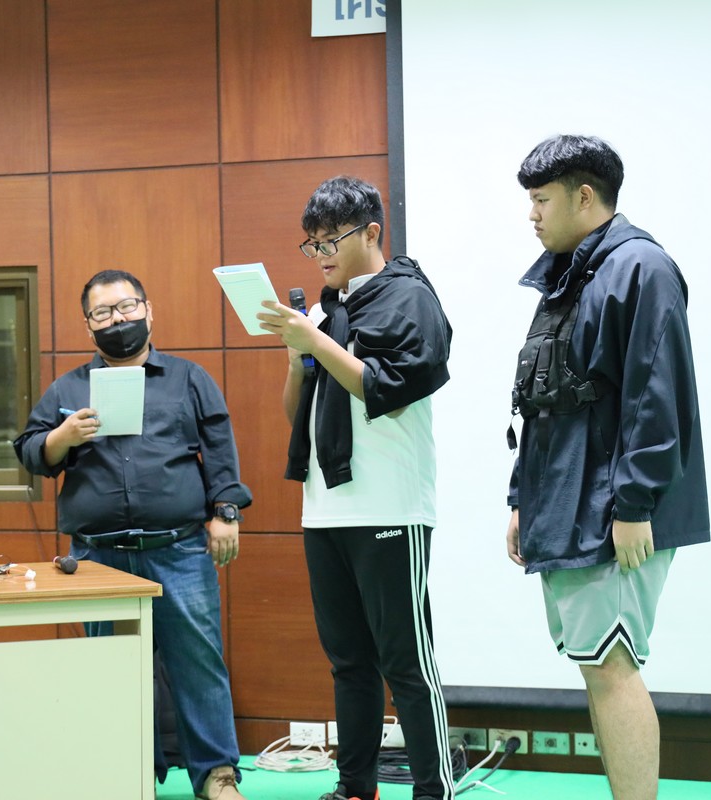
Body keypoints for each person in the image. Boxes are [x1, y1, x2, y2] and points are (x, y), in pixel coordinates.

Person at [507, 135, 710, 800]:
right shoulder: (572, 273)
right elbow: (543, 398)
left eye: (541, 199)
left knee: (612, 667)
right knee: (598, 667)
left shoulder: (641, 267)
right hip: (569, 503)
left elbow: (656, 395)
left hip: (613, 510)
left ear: (585, 196)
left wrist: (634, 504)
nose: (532, 214)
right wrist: (521, 499)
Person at [13, 269, 252, 800]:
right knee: (111, 669)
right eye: (103, 313)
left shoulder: (189, 378)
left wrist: (226, 513)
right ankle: (125, 774)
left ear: (148, 310)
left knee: (199, 663)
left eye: (126, 307)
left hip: (180, 548)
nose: (117, 320)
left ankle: (217, 776)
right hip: (98, 559)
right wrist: (62, 436)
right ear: (88, 326)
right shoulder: (68, 388)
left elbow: (219, 450)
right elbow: (31, 452)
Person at [257, 175, 456, 800]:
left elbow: (386, 388)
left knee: (407, 663)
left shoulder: (409, 298)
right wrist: (297, 359)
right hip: (324, 509)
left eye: (331, 241)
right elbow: (299, 416)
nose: (320, 255)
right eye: (312, 244)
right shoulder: (325, 311)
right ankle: (355, 788)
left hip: (390, 505)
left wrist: (316, 341)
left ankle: (433, 791)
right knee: (349, 663)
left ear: (371, 232)